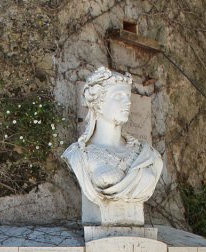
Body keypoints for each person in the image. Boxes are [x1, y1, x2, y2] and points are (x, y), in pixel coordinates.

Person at [61, 67, 163, 225]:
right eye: (118, 96)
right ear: (98, 103)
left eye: (128, 96)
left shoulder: (148, 155)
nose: (127, 102)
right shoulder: (79, 155)